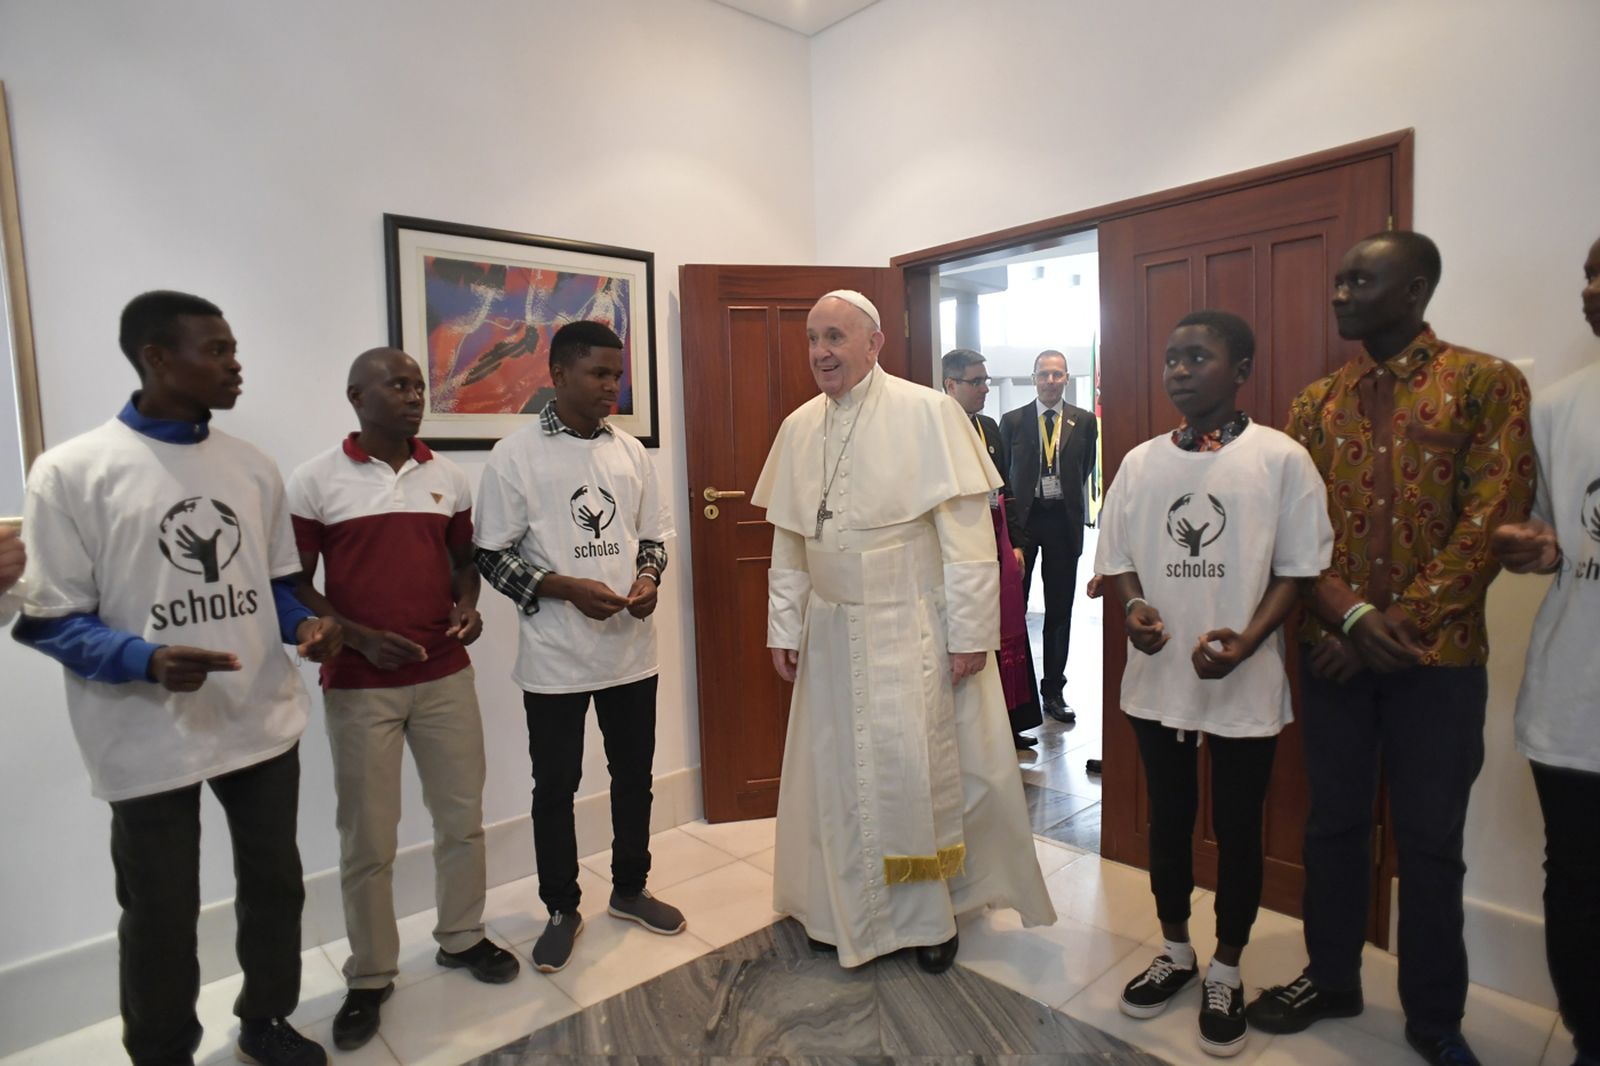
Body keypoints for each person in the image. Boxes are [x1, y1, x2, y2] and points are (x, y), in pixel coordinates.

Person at [11, 291, 341, 1066]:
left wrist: (305, 627)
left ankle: (266, 1018)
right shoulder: (72, 473)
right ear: (157, 358)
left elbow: (279, 584)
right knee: (160, 912)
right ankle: (162, 1052)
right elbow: (50, 618)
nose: (236, 365)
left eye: (234, 349)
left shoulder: (252, 467)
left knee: (276, 888)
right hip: (146, 733)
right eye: (216, 350)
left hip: (258, 718)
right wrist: (146, 659)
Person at [1246, 232, 1535, 1066]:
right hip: (1335, 656)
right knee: (1332, 826)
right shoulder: (1313, 404)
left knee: (1431, 842)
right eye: (1337, 281)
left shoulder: (1484, 383)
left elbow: (1490, 521)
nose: (1338, 294)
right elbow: (1294, 534)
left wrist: (1380, 627)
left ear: (1413, 290)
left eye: (1358, 280)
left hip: (1436, 665)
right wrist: (1345, 617)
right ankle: (1332, 979)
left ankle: (1435, 1017)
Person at [755, 290, 1055, 974]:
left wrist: (970, 633)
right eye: (811, 339)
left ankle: (927, 920)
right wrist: (784, 625)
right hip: (830, 631)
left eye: (834, 336)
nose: (820, 352)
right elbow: (791, 543)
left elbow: (968, 538)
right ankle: (837, 909)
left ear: (874, 343)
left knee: (909, 777)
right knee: (836, 774)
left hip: (907, 626)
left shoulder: (930, 412)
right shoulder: (800, 426)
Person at [1096, 311, 1331, 1058]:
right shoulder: (1138, 463)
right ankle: (1175, 950)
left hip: (1243, 679)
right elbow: (1121, 555)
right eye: (1171, 358)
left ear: (1241, 369)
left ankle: (1227, 965)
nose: (1178, 370)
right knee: (1168, 820)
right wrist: (1135, 606)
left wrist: (1248, 643)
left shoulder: (1281, 459)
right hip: (1160, 678)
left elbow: (1299, 571)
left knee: (1236, 829)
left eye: (1198, 357)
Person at [287, 347, 519, 1051]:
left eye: (418, 384)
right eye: (398, 384)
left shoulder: (446, 476)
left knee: (461, 818)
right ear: (357, 395)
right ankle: (370, 975)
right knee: (369, 838)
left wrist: (469, 607)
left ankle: (461, 936)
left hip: (445, 673)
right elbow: (293, 581)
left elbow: (463, 564)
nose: (414, 394)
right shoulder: (314, 481)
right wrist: (357, 637)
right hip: (360, 685)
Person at [473, 319, 684, 976]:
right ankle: (562, 908)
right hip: (556, 659)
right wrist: (564, 587)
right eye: (599, 374)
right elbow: (492, 556)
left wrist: (647, 579)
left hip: (629, 652)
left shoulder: (630, 453)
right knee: (555, 786)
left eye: (617, 375)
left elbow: (653, 538)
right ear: (558, 375)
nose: (611, 387)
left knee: (633, 778)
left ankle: (629, 888)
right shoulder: (516, 456)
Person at [1489, 233, 1600, 1066]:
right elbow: (1539, 532)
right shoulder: (1558, 406)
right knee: (1581, 883)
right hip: (1577, 700)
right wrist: (1532, 546)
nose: (1592, 289)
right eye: (1590, 273)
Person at [942, 347, 1043, 749]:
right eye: (976, 381)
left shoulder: (988, 426)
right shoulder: (936, 428)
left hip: (997, 536)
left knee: (1007, 626)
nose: (985, 388)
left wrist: (1016, 543)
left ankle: (1011, 720)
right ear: (951, 384)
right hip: (960, 543)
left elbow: (1005, 489)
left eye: (985, 380)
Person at [999, 350, 1098, 723]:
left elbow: (1084, 467)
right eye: (1044, 374)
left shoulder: (1084, 422)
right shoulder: (1013, 421)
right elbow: (1005, 477)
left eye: (1058, 375)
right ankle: (1015, 694)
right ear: (1034, 378)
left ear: (1067, 378)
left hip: (1062, 524)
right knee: (1015, 609)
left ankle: (1053, 691)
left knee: (1059, 610)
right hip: (1023, 526)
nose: (1051, 381)